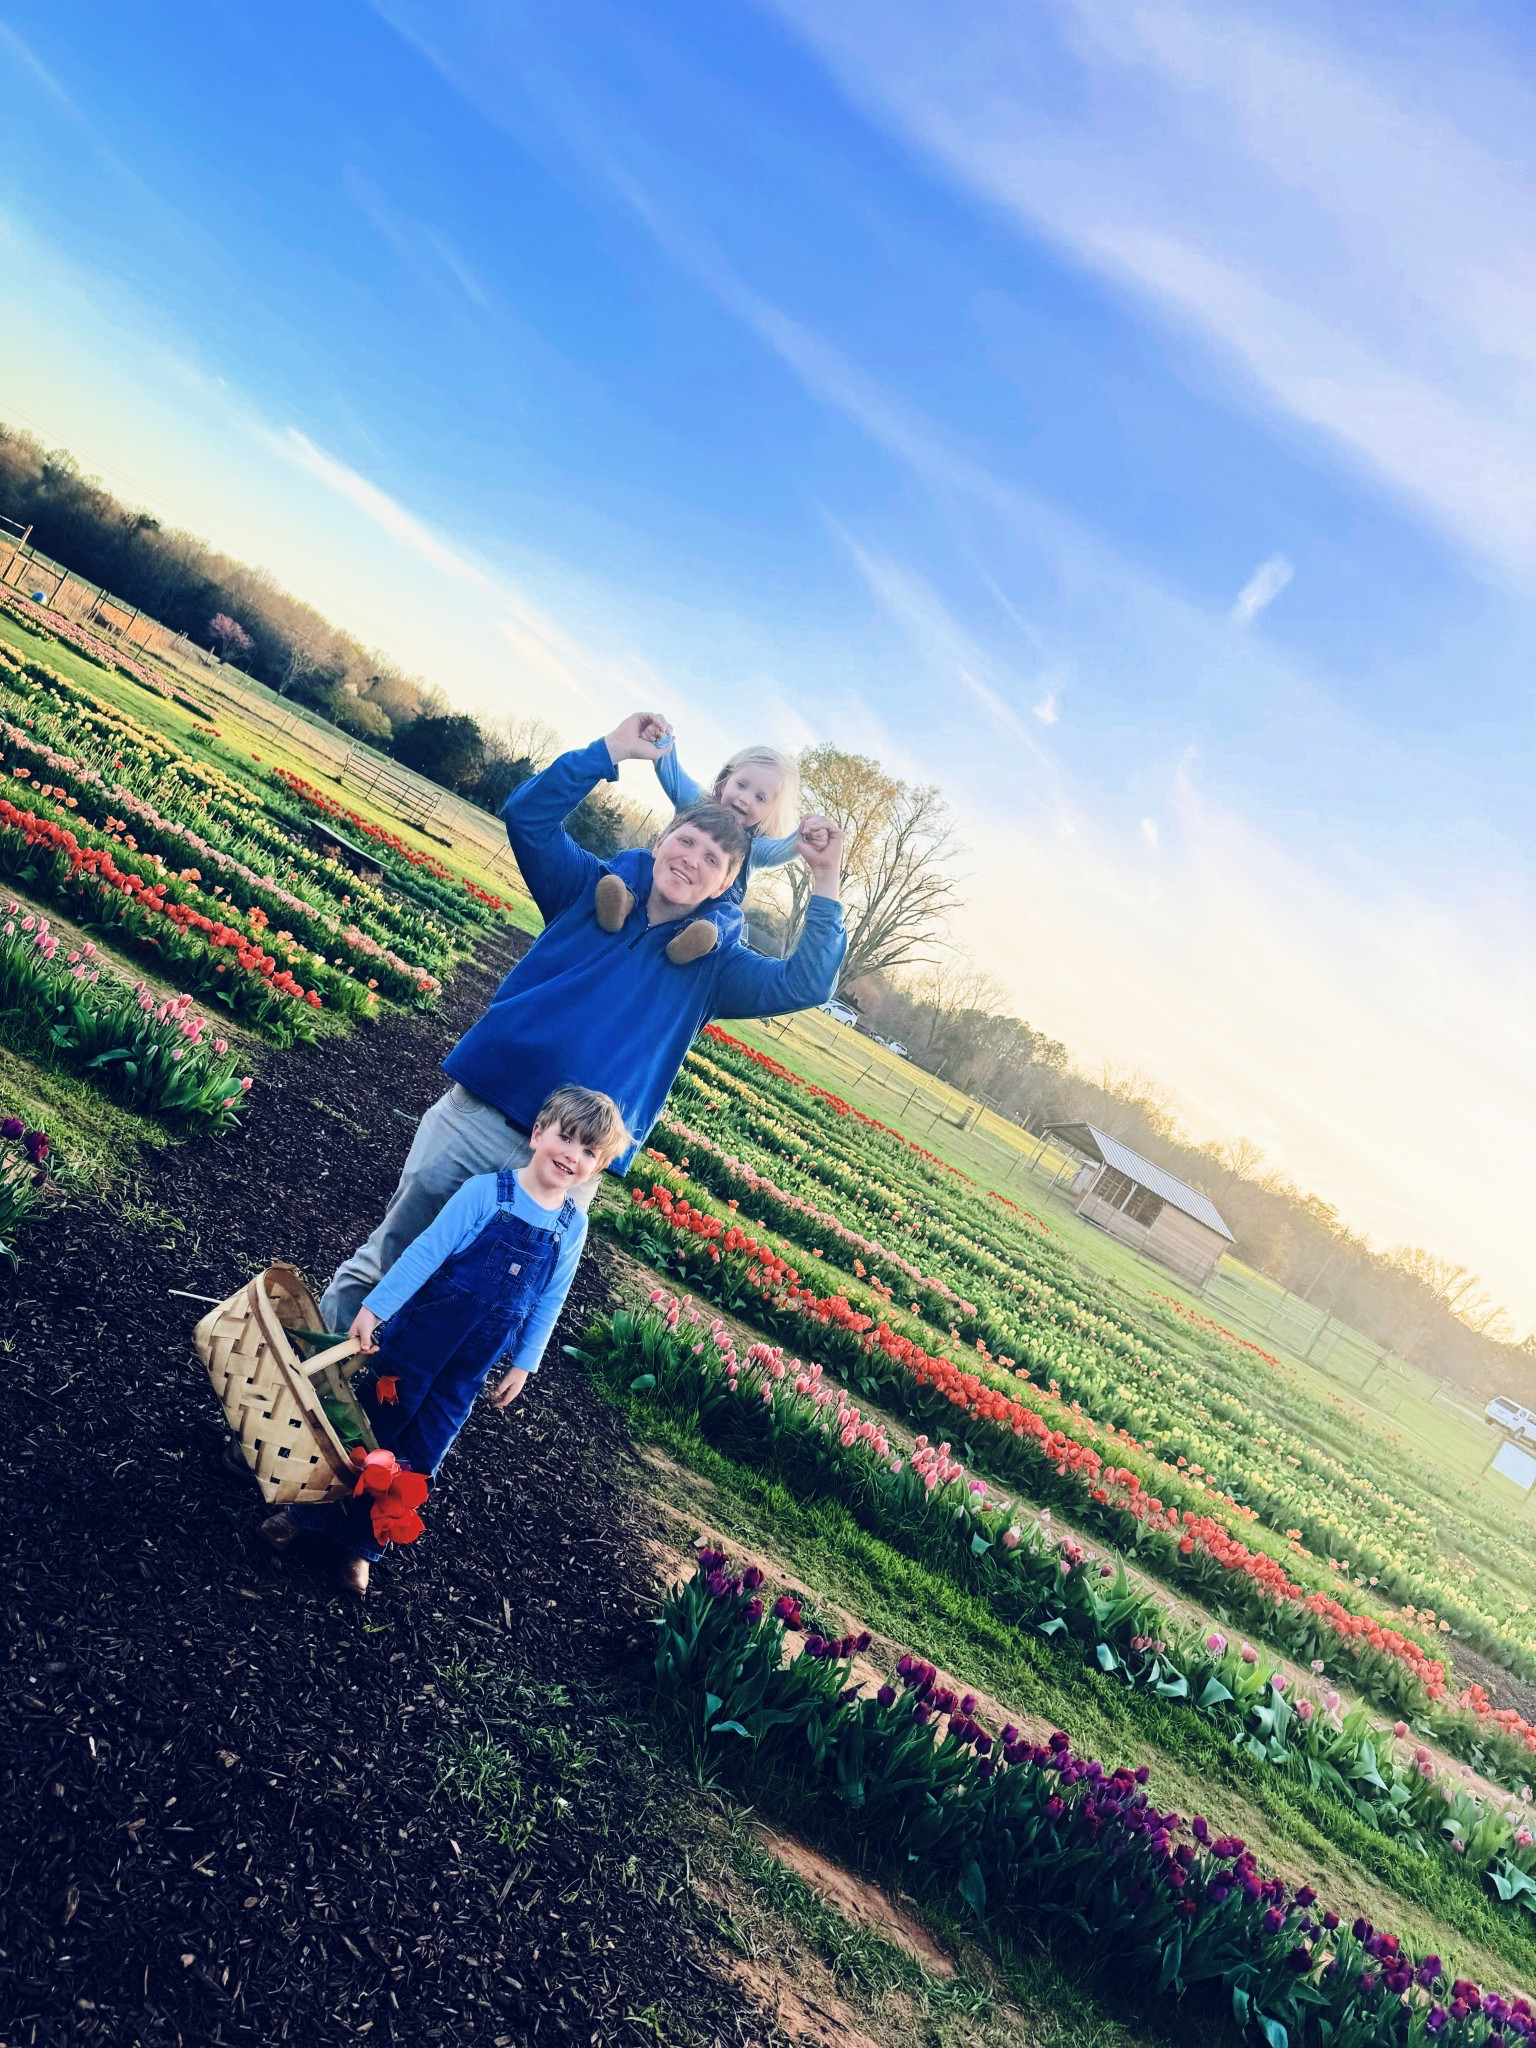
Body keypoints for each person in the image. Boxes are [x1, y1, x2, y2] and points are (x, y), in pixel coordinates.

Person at [317, 710, 846, 1335]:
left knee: (471, 1305)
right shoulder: (587, 888)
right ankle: (300, 1383)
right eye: (686, 842)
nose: (692, 861)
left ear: (728, 883)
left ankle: (375, 1414)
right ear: (662, 839)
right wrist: (610, 751)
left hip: (567, 1165)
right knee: (392, 1255)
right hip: (481, 1117)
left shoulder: (715, 968)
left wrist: (826, 876)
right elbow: (529, 817)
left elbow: (806, 982)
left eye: (713, 859)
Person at [264, 1084, 627, 1595]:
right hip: (417, 1343)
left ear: (599, 1166)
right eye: (566, 1138)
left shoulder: (572, 1226)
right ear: (538, 1132)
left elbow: (550, 1299)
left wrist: (525, 1362)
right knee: (373, 1423)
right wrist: (375, 1308)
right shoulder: (486, 1193)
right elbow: (425, 1253)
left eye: (589, 1151)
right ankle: (308, 1516)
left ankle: (361, 1545)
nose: (572, 1155)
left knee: (424, 1448)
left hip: (469, 1367)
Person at [595, 737, 801, 965]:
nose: (745, 799)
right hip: (660, 888)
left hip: (701, 913)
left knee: (730, 916)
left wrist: (806, 836)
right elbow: (674, 776)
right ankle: (620, 897)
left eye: (760, 798)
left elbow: (782, 850)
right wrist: (662, 740)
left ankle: (698, 938)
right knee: (641, 859)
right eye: (741, 785)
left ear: (770, 814)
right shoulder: (696, 802)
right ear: (724, 781)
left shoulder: (754, 848)